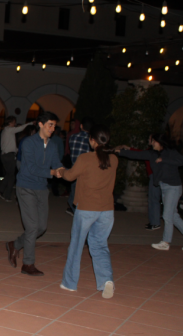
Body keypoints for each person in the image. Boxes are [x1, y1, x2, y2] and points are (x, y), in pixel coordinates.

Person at [59, 125, 118, 299]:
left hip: (86, 208)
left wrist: (60, 171)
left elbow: (69, 176)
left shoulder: (85, 158)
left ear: (92, 140)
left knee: (77, 245)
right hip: (106, 210)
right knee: (100, 245)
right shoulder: (114, 159)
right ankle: (106, 280)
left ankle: (70, 283)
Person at [6, 112, 64, 276]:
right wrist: (52, 172)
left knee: (41, 227)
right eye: (50, 125)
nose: (53, 128)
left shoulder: (52, 145)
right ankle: (28, 264)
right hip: (26, 187)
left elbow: (57, 162)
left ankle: (15, 244)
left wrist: (61, 170)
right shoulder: (29, 143)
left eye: (54, 125)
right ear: (40, 124)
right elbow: (31, 168)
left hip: (41, 189)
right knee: (32, 227)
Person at [116, 134, 183, 251]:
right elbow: (137, 155)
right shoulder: (152, 154)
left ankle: (166, 242)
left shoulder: (170, 152)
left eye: (153, 141)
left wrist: (164, 159)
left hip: (174, 187)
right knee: (173, 216)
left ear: (159, 142)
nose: (151, 143)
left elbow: (181, 161)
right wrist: (119, 151)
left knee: (167, 215)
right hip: (164, 187)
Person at [0, 116, 34, 201]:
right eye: (14, 122)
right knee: (11, 176)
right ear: (10, 122)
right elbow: (21, 128)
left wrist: (16, 149)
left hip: (4, 155)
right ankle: (7, 196)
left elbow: (7, 144)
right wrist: (30, 123)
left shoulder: (5, 131)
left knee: (8, 174)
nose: (15, 124)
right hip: (9, 156)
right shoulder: (9, 129)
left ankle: (0, 191)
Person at [67, 117, 94, 216]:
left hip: (75, 171)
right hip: (87, 173)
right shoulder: (92, 140)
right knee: (81, 198)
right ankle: (81, 215)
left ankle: (79, 215)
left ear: (81, 126)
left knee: (74, 198)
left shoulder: (72, 137)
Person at [49, 126, 65, 197]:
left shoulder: (56, 139)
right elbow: (61, 151)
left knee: (53, 176)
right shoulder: (56, 139)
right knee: (54, 177)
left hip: (52, 160)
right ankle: (54, 191)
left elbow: (61, 151)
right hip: (54, 160)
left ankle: (53, 190)